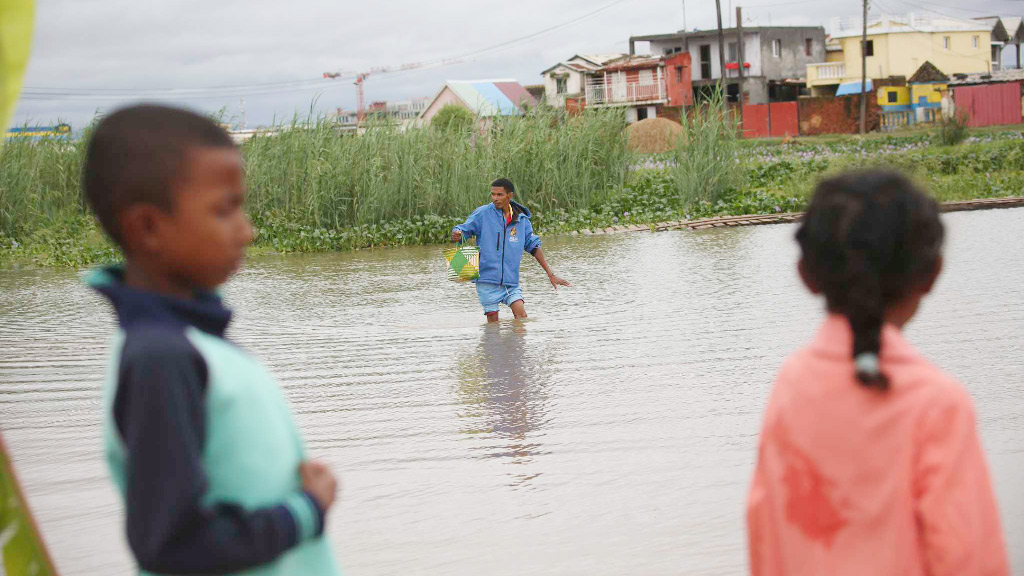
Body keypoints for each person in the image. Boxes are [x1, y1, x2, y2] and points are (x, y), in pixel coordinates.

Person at [82, 104, 340, 576]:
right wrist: (305, 511)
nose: (247, 230)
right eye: (225, 210)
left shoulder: (194, 344)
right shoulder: (160, 356)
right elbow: (173, 545)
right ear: (147, 228)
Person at [746, 171, 1009, 576]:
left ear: (806, 275)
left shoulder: (792, 384)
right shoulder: (936, 404)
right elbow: (970, 560)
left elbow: (765, 531)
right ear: (932, 273)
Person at [451, 178, 569, 322]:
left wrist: (550, 274)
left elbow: (533, 246)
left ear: (510, 195)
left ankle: (517, 345)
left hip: (511, 281)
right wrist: (457, 233)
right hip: (486, 280)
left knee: (522, 318)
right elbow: (464, 230)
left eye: (499, 194)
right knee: (493, 327)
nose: (495, 198)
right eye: (493, 194)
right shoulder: (482, 214)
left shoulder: (521, 220)